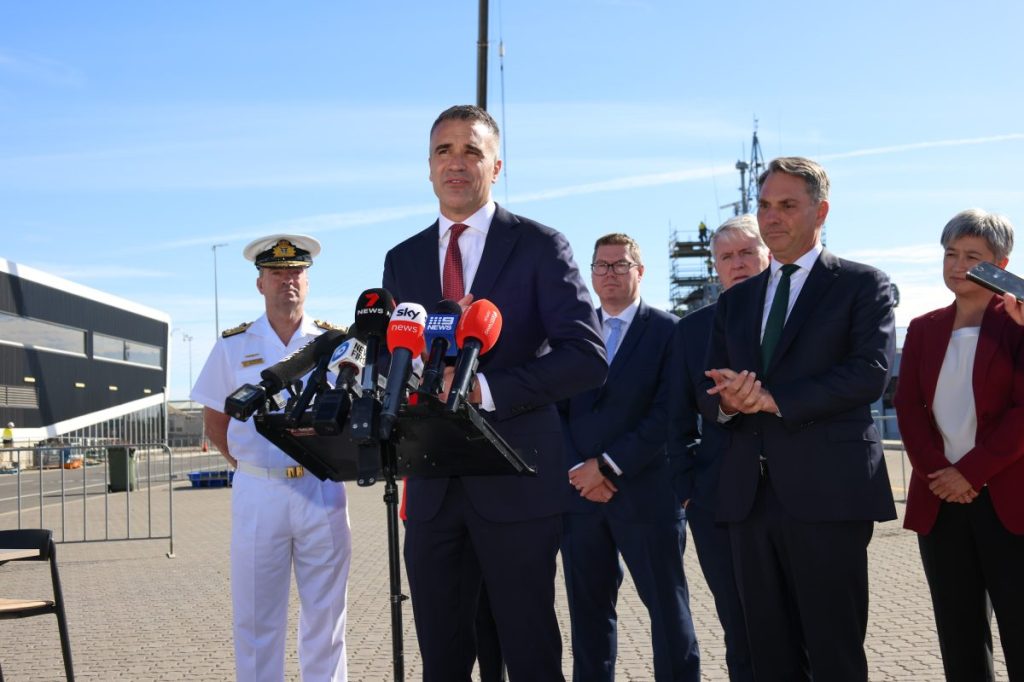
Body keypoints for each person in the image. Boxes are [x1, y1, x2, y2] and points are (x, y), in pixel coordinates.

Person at [382, 104, 606, 682]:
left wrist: (482, 387)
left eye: (471, 151)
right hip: (431, 490)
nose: (456, 163)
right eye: (443, 151)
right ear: (428, 168)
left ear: (496, 166)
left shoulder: (538, 245)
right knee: (443, 656)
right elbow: (393, 352)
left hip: (517, 483)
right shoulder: (401, 259)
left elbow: (586, 356)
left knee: (529, 652)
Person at [700, 157, 897, 681]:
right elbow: (706, 390)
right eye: (764, 205)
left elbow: (869, 374)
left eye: (788, 205)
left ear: (821, 211)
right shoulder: (736, 301)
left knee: (834, 651)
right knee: (769, 654)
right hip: (748, 498)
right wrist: (728, 401)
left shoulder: (862, 285)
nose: (773, 217)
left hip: (829, 496)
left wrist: (770, 399)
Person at [190, 234, 351, 682]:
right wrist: (247, 464)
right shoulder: (233, 346)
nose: (288, 281)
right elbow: (215, 418)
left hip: (321, 488)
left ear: (308, 280)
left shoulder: (334, 343)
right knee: (257, 620)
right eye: (277, 273)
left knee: (327, 619)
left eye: (296, 271)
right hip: (260, 489)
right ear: (260, 283)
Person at [561, 232, 699, 682]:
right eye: (601, 266)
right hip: (581, 501)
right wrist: (580, 471)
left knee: (667, 610)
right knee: (588, 615)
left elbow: (669, 412)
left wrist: (606, 466)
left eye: (621, 265)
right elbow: (554, 409)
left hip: (647, 495)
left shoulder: (669, 331)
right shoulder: (574, 335)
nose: (610, 274)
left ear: (640, 272)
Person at [893, 209, 1024, 681]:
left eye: (973, 256)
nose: (957, 264)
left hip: (1009, 502)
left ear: (1001, 264)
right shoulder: (925, 327)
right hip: (943, 503)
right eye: (950, 253)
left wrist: (971, 471)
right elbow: (907, 409)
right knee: (959, 635)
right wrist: (939, 474)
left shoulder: (1018, 324)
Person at [671, 214, 767, 682]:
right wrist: (689, 490)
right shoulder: (691, 332)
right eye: (727, 257)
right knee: (740, 630)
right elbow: (674, 421)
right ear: (716, 268)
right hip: (718, 504)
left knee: (797, 628)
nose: (738, 264)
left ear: (768, 255)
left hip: (793, 499)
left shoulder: (794, 319)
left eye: (747, 252)